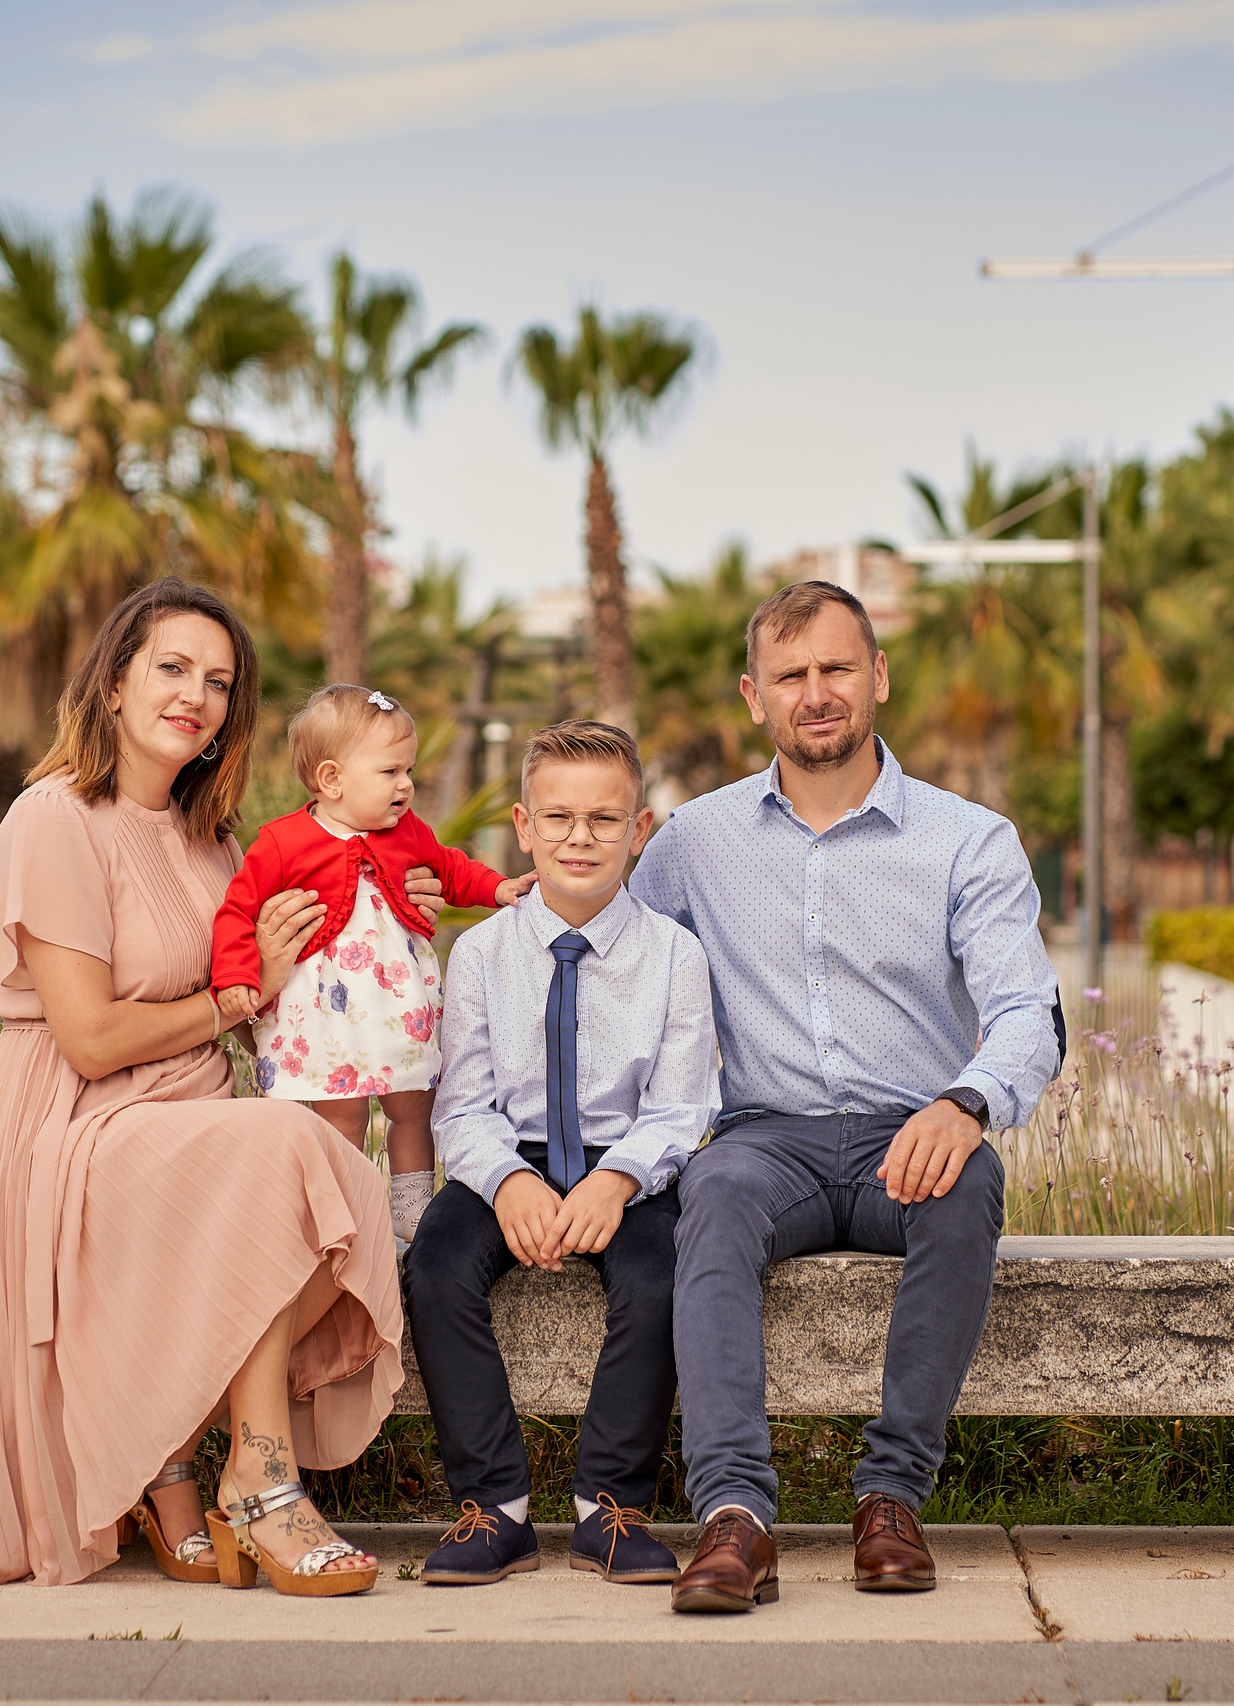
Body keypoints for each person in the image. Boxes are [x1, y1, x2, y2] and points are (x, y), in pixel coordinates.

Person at [0, 580, 445, 1597]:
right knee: (288, 1155)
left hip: (192, 1112)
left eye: (218, 681)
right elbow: (93, 1034)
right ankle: (259, 1478)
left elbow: (307, 975)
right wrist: (237, 997)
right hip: (73, 1119)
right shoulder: (52, 818)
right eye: (171, 668)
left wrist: (402, 895)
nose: (194, 696)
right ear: (112, 683)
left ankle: (173, 1472)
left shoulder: (216, 835)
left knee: (327, 1171)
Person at [628, 580, 1062, 1614]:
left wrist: (966, 1104)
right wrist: (508, 899)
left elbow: (1025, 1013)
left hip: (905, 1136)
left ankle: (891, 1499)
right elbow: (616, 962)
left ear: (876, 676)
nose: (813, 693)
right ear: (752, 696)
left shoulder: (968, 840)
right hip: (762, 1140)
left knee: (969, 1188)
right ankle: (736, 1519)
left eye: (833, 668)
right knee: (711, 1197)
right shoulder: (693, 840)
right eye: (789, 676)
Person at [405, 720, 717, 1588]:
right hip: (513, 1155)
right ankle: (494, 1508)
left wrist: (618, 1180)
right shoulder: (479, 954)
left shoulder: (674, 956)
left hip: (630, 1164)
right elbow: (462, 1104)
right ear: (523, 825)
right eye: (559, 817)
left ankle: (607, 1508)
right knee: (435, 1265)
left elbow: (682, 1105)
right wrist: (507, 1183)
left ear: (639, 830)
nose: (581, 837)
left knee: (661, 1273)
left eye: (605, 819)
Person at [212, 685, 528, 1242]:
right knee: (342, 1112)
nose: (406, 785)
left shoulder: (408, 833)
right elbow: (237, 911)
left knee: (414, 1103)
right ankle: (347, 1206)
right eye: (390, 772)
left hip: (397, 1002)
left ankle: (411, 1204)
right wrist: (238, 976)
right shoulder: (282, 842)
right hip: (326, 1011)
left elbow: (451, 869)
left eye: (408, 770)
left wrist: (498, 889)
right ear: (332, 779)